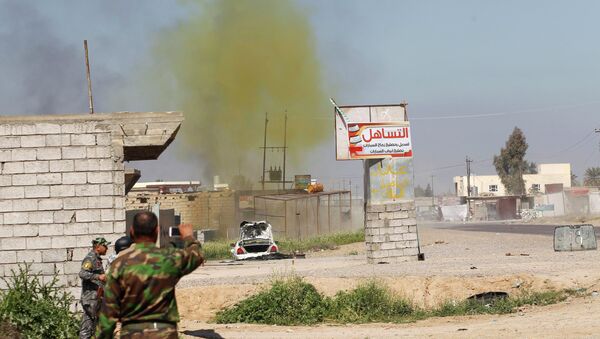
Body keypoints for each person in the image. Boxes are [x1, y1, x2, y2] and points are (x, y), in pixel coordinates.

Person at [96, 212, 203, 339]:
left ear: (132, 231)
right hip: (164, 332)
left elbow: (109, 311)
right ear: (157, 231)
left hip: (132, 333)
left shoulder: (120, 264)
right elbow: (197, 255)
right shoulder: (169, 259)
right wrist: (188, 237)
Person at [79, 237, 110, 339]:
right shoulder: (90, 258)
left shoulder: (96, 259)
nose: (107, 248)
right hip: (90, 298)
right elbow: (82, 273)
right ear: (98, 247)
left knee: (92, 324)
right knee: (88, 325)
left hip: (95, 297)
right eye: (105, 246)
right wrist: (98, 277)